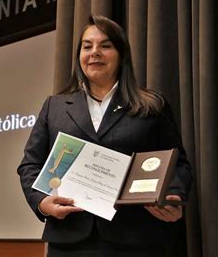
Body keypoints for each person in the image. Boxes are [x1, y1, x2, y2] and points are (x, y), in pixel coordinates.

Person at [17, 14, 192, 256]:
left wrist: (174, 196)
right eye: (87, 46)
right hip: (69, 240)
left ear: (121, 55)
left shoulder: (152, 105)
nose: (95, 52)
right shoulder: (55, 106)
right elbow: (30, 165)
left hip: (137, 239)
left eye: (105, 46)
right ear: (79, 56)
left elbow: (178, 163)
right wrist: (41, 202)